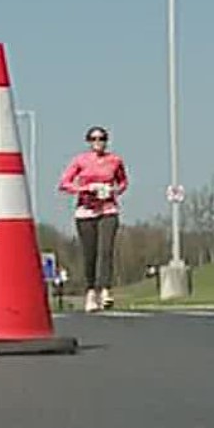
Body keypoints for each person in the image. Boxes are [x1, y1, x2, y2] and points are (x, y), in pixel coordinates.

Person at [59, 126, 128, 312]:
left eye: (102, 138)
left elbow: (123, 182)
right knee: (90, 254)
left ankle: (105, 289)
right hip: (86, 211)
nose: (98, 142)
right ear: (88, 142)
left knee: (106, 250)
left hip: (108, 209)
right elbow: (64, 183)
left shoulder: (115, 161)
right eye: (94, 139)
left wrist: (114, 191)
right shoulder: (80, 161)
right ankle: (90, 292)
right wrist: (85, 189)